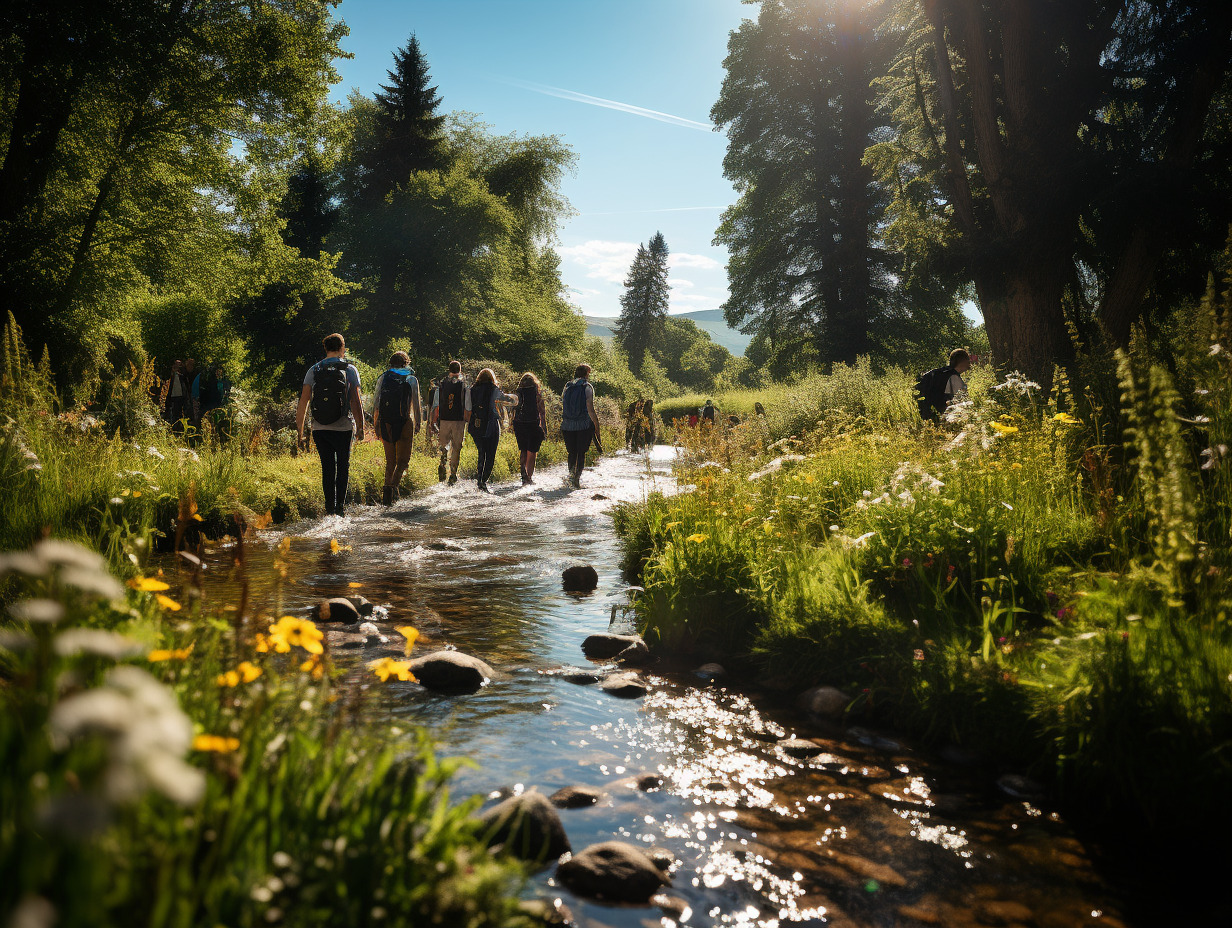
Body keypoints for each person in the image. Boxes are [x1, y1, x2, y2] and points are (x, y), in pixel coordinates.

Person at [296, 333, 364, 516]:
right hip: (343, 428)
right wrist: (361, 427)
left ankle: (328, 510)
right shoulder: (349, 369)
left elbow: (304, 401)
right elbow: (356, 401)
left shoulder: (314, 370)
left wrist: (300, 431)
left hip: (319, 428)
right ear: (343, 348)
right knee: (343, 466)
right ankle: (339, 510)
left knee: (327, 467)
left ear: (325, 349)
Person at [372, 350, 421, 506]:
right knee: (403, 462)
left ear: (390, 363)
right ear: (406, 363)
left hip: (385, 422)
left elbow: (376, 404)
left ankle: (388, 494)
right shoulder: (411, 378)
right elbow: (417, 405)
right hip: (405, 422)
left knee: (390, 462)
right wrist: (418, 423)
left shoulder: (383, 378)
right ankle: (392, 491)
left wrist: (376, 424)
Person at [468, 368, 517, 492]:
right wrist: (515, 398)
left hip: (476, 425)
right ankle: (483, 481)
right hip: (491, 425)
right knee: (490, 455)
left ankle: (479, 480)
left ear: (479, 377)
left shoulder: (472, 390)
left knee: (481, 453)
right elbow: (508, 401)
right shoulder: (494, 389)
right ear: (492, 378)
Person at [561, 363, 602, 489]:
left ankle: (570, 477)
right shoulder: (587, 387)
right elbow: (590, 408)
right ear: (586, 373)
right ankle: (576, 480)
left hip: (567, 425)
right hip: (583, 425)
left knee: (571, 453)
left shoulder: (567, 386)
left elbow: (564, 404)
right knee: (581, 453)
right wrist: (596, 425)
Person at [430, 361, 470, 485]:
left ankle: (443, 459)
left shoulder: (441, 385)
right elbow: (467, 406)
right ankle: (453, 474)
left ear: (449, 370)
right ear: (460, 371)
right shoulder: (464, 386)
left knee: (444, 444)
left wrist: (433, 421)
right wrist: (467, 420)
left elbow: (436, 406)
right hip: (458, 420)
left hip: (444, 419)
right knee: (457, 448)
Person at [915, 347, 972, 422]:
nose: (970, 363)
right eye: (968, 360)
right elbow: (962, 401)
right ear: (962, 361)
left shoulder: (937, 372)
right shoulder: (954, 377)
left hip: (925, 414)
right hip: (942, 418)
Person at [512, 372, 547, 484]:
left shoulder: (518, 393)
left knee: (523, 449)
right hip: (533, 423)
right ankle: (529, 478)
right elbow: (542, 413)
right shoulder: (537, 393)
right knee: (532, 451)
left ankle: (523, 475)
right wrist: (544, 429)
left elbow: (514, 409)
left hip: (519, 423)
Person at [163, 359, 190, 431]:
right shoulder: (170, 375)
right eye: (177, 365)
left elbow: (186, 385)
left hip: (181, 396)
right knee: (173, 412)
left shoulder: (182, 376)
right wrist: (173, 372)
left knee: (181, 412)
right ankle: (173, 427)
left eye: (180, 365)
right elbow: (167, 384)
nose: (178, 367)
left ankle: (181, 427)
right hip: (172, 396)